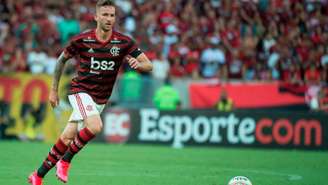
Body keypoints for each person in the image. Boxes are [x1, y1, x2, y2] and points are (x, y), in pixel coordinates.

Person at [28, 1, 153, 185]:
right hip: (81, 91)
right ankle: (65, 161)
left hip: (100, 99)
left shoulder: (124, 42)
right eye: (105, 15)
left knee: (67, 137)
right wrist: (54, 90)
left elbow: (149, 65)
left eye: (112, 15)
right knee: (95, 127)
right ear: (96, 17)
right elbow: (61, 60)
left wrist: (139, 64)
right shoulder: (82, 40)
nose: (109, 19)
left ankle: (37, 176)